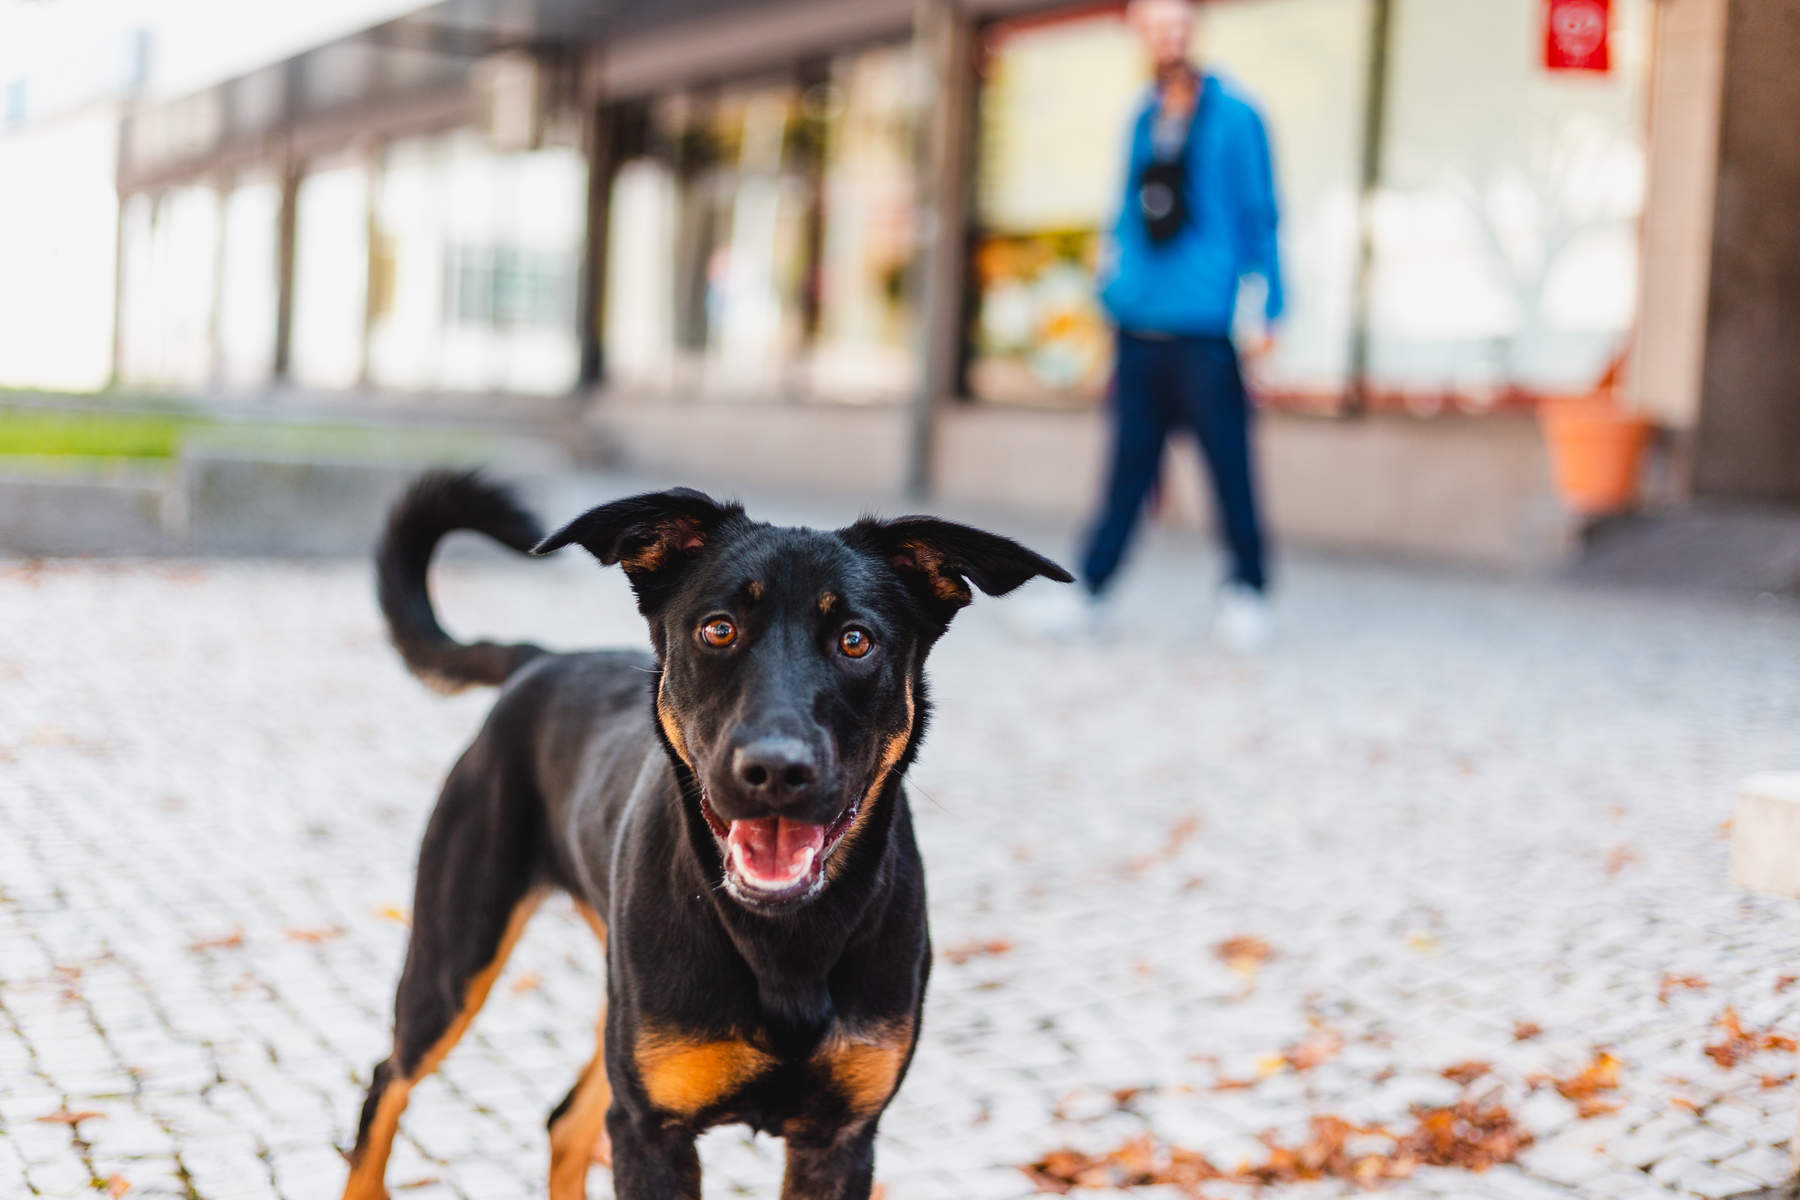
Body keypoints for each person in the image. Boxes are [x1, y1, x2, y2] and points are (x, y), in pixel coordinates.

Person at [1029, 0, 1284, 649]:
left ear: (1195, 29)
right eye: (1152, 26)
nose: (1166, 37)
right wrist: (1107, 295)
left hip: (1204, 330)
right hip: (1137, 328)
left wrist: (1271, 306)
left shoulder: (1236, 116)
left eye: (1176, 24)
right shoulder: (1141, 118)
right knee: (1125, 474)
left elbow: (1262, 214)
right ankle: (1089, 589)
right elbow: (1124, 213)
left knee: (1229, 467)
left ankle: (1247, 591)